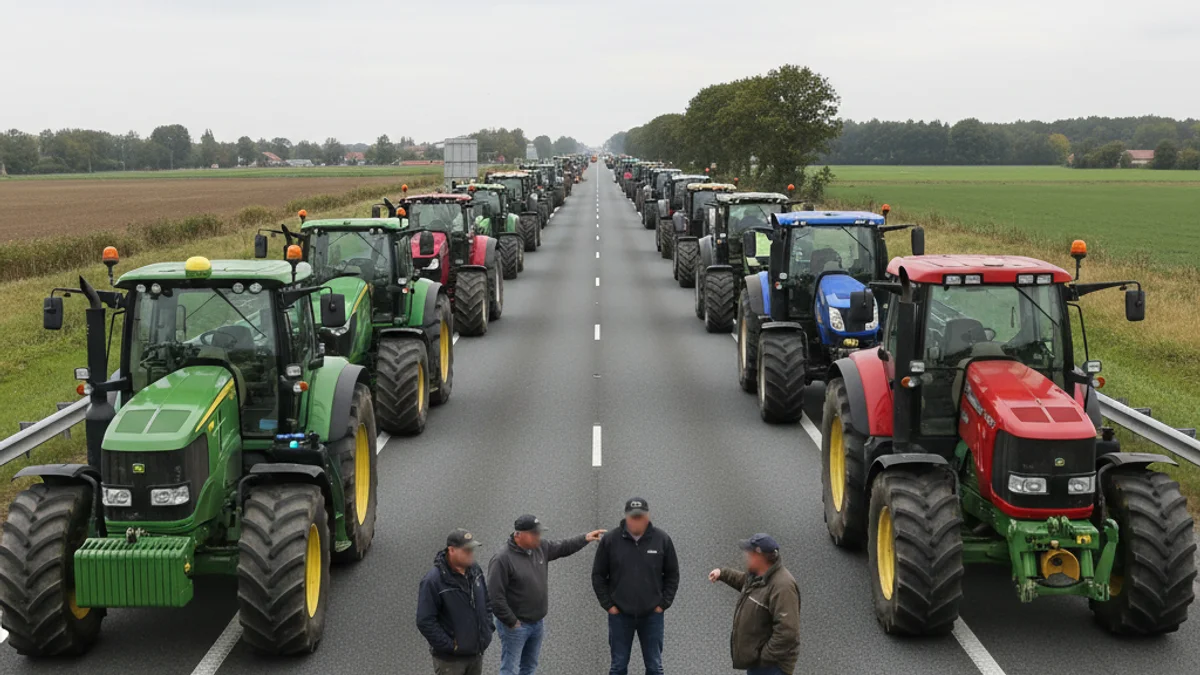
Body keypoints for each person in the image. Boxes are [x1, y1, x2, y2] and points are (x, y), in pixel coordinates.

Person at [487, 515, 606, 675]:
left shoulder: (540, 547)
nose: (539, 537)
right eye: (534, 533)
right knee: (510, 669)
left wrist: (585, 538)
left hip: (537, 623)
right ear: (518, 535)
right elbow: (495, 597)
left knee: (529, 667)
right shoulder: (502, 559)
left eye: (539, 533)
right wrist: (511, 621)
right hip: (516, 626)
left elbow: (563, 546)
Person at [591, 497, 680, 675]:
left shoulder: (661, 539)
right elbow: (598, 575)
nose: (636, 521)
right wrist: (609, 605)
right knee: (618, 666)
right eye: (633, 517)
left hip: (652, 616)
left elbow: (672, 574)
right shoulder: (611, 540)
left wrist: (663, 604)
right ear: (626, 517)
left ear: (647, 516)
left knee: (655, 667)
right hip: (620, 616)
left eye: (640, 516)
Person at [708, 533, 801, 675]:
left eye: (749, 553)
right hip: (758, 663)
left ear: (760, 556)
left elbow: (787, 633)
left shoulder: (783, 587)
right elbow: (745, 582)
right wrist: (723, 574)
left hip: (772, 667)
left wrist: (763, 657)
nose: (746, 556)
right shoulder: (759, 576)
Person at [416, 529, 494, 675]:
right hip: (450, 662)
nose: (471, 553)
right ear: (451, 550)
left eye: (472, 549)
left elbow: (486, 602)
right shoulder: (433, 581)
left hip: (476, 654)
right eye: (466, 550)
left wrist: (487, 631)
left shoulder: (475, 571)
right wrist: (451, 646)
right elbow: (424, 621)